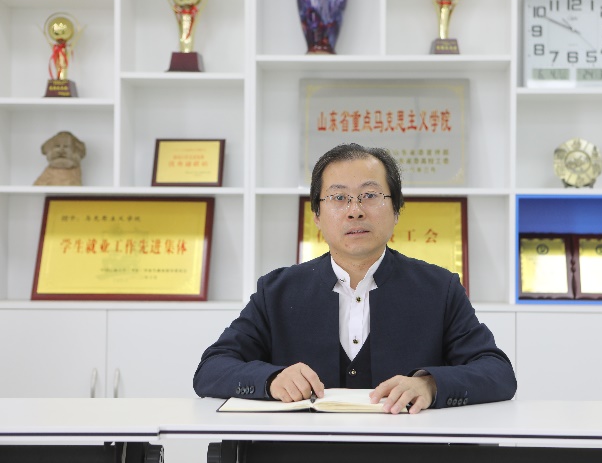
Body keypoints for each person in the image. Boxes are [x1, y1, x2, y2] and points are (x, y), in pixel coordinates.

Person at [193, 143, 517, 414]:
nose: (355, 211)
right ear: (317, 216)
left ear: (397, 210)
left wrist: (430, 385)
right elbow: (212, 369)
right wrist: (271, 380)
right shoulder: (276, 292)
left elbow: (497, 372)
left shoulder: (439, 289)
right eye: (338, 198)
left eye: (370, 195)